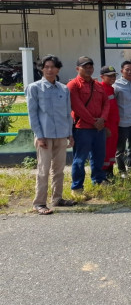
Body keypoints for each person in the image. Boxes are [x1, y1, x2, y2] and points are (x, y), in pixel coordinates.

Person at [25, 55, 76, 215]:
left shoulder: (63, 89)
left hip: (61, 135)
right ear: (41, 69)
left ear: (58, 69)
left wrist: (70, 134)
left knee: (59, 169)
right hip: (44, 136)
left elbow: (68, 113)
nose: (49, 69)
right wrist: (39, 136)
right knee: (43, 170)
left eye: (53, 67)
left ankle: (57, 198)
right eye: (46, 67)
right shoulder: (34, 88)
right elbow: (32, 114)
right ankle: (39, 202)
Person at [68, 56, 110, 190]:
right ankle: (77, 187)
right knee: (80, 159)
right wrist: (94, 121)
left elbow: (106, 103)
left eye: (90, 66)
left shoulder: (97, 84)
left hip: (99, 128)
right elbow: (77, 107)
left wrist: (102, 119)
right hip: (82, 129)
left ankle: (98, 180)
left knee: (99, 157)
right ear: (77, 68)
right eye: (84, 67)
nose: (88, 69)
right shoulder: (73, 85)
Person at [114, 60, 131, 178]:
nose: (130, 72)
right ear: (122, 71)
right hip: (122, 121)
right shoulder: (116, 86)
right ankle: (121, 170)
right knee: (120, 148)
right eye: (127, 70)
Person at [99, 65, 120, 181]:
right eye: (109, 76)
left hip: (114, 125)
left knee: (112, 150)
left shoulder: (111, 88)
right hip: (107, 127)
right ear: (102, 77)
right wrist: (105, 127)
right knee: (106, 151)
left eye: (114, 76)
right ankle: (103, 175)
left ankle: (110, 172)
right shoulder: (101, 89)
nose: (112, 78)